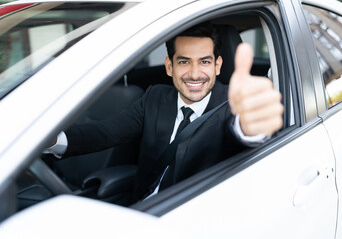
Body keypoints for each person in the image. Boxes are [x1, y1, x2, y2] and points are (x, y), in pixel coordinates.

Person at [46, 22, 283, 201]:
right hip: (142, 207)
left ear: (217, 65)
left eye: (204, 62)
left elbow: (240, 130)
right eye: (183, 62)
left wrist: (251, 129)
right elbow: (107, 131)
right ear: (169, 66)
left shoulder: (233, 104)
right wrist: (53, 139)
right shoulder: (155, 97)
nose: (194, 73)